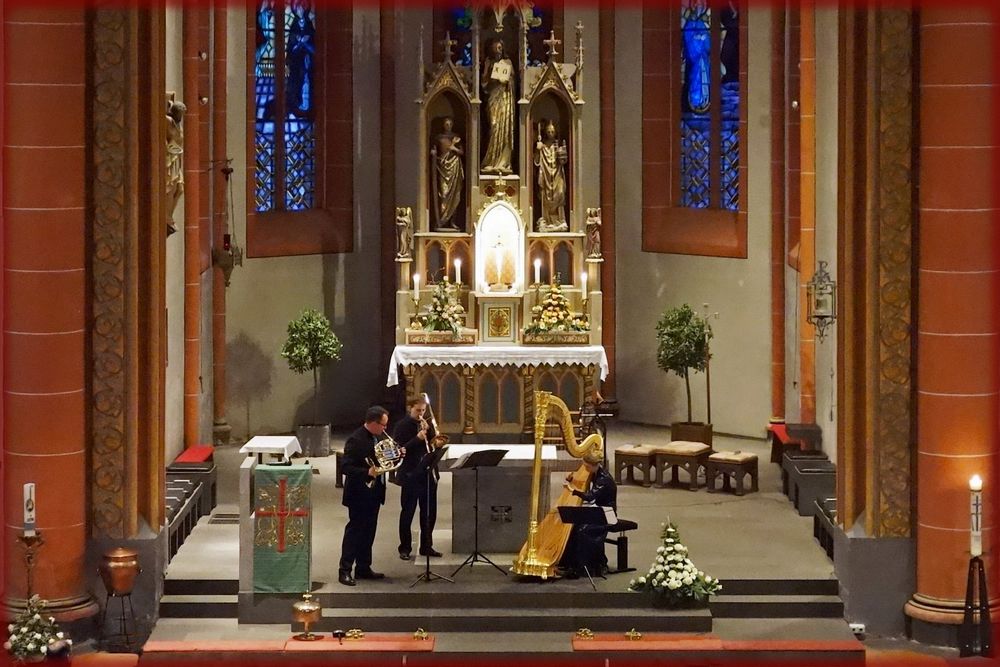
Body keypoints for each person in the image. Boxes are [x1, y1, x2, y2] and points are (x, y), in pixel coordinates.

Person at [338, 406, 397, 586]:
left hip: (375, 492)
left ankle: (363, 567)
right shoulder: (355, 440)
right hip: (358, 493)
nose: (385, 429)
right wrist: (367, 472)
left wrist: (396, 454)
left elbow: (385, 458)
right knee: (355, 531)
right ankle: (345, 570)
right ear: (372, 423)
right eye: (383, 425)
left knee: (369, 531)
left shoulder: (378, 437)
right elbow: (345, 467)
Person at [394, 396, 442, 560]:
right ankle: (405, 548)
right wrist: (417, 439)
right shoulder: (402, 426)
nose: (421, 414)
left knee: (429, 512)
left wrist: (432, 435)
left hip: (428, 473)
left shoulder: (427, 425)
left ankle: (426, 545)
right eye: (418, 410)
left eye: (423, 410)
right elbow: (399, 450)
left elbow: (434, 445)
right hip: (411, 473)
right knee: (408, 511)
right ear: (410, 409)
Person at [559, 452, 617, 579]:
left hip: (607, 514)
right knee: (574, 527)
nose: (585, 469)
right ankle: (571, 564)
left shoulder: (604, 479)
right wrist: (572, 479)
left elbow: (590, 497)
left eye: (587, 466)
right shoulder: (596, 472)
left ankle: (588, 566)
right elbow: (583, 483)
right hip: (598, 510)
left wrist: (572, 490)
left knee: (582, 530)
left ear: (594, 465)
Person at [481, 37, 514, 175]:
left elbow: (511, 81)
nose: (497, 51)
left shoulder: (507, 62)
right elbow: (483, 85)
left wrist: (506, 79)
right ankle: (490, 161)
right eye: (495, 48)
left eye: (500, 48)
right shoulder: (488, 63)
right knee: (494, 126)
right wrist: (489, 73)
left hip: (505, 99)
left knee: (504, 130)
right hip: (493, 98)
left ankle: (503, 163)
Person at [535, 119, 569, 232]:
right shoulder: (543, 146)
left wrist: (562, 155)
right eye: (548, 131)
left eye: (552, 131)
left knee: (560, 193)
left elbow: (563, 161)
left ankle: (560, 220)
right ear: (545, 132)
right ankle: (546, 220)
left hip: (557, 174)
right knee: (545, 195)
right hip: (546, 175)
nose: (550, 133)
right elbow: (536, 161)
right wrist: (538, 149)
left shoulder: (557, 145)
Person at [432, 117, 465, 231]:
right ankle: (441, 220)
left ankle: (452, 222)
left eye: (450, 123)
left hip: (454, 166)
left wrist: (453, 147)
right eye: (446, 124)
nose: (448, 125)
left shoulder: (456, 137)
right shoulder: (439, 138)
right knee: (444, 194)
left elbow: (461, 152)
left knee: (455, 195)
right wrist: (433, 153)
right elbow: (434, 150)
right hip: (442, 167)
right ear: (443, 125)